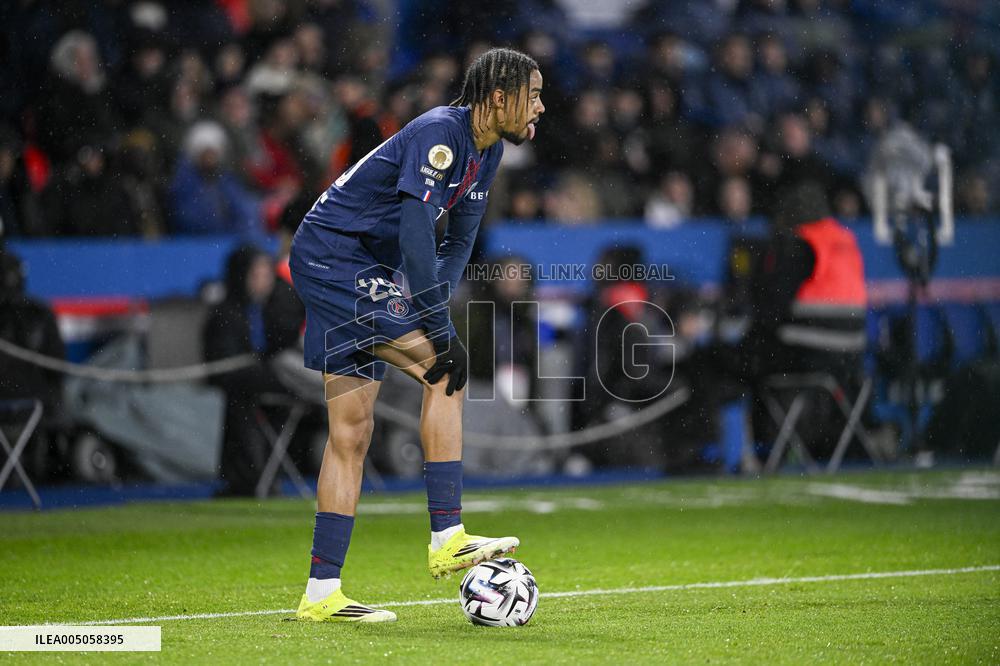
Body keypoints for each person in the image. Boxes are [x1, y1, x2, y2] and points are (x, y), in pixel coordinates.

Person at [288, 47, 544, 623]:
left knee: (350, 433)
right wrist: (438, 328)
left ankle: (321, 591)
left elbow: (456, 244)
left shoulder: (488, 150)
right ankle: (447, 535)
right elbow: (414, 237)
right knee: (444, 372)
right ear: (498, 98)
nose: (541, 106)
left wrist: (437, 315)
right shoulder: (441, 135)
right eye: (533, 94)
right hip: (336, 259)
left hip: (347, 263)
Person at [202, 245, 303, 496]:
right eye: (257, 274)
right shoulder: (226, 313)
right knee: (244, 407)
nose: (264, 280)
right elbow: (224, 364)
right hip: (241, 382)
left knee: (277, 407)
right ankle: (247, 476)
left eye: (267, 273)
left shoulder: (271, 308)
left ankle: (263, 474)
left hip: (270, 383)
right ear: (242, 276)